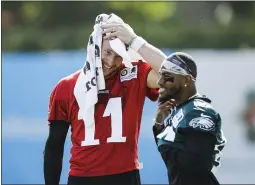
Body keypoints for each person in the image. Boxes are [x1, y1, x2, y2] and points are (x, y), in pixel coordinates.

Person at [43, 14, 166, 185]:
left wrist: (134, 40)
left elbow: (173, 74)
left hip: (125, 176)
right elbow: (54, 146)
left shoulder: (134, 75)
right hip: (82, 178)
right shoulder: (66, 86)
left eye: (118, 55)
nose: (110, 61)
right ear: (95, 47)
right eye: (107, 52)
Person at [153, 52, 227, 185]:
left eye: (167, 76)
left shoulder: (198, 111)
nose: (160, 82)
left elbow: (197, 164)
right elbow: (174, 162)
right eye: (160, 75)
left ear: (186, 80)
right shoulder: (181, 109)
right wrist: (158, 125)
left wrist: (164, 145)